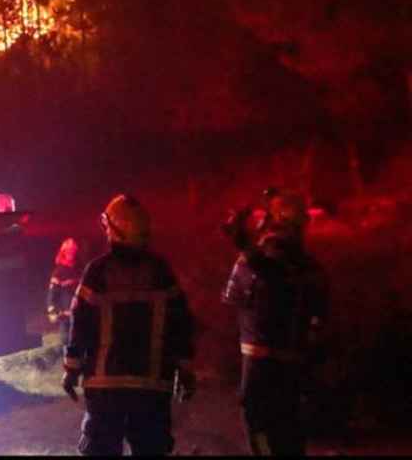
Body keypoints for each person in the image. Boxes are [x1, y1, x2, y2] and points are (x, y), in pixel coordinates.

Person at [63, 194, 196, 456]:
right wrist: (186, 369)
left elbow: (80, 323)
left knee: (100, 449)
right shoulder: (162, 272)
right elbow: (181, 323)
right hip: (152, 387)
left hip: (104, 388)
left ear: (113, 229)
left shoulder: (97, 271)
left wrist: (71, 369)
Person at [221, 188, 329, 456]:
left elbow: (235, 297)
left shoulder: (259, 261)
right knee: (290, 430)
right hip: (295, 363)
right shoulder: (311, 267)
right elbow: (319, 317)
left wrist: (242, 243)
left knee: (262, 427)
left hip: (260, 365)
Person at [47, 237, 84, 347]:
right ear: (64, 252)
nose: (71, 254)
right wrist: (53, 311)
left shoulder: (80, 269)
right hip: (66, 316)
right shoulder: (59, 272)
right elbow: (52, 295)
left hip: (81, 315)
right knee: (67, 345)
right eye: (69, 251)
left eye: (73, 251)